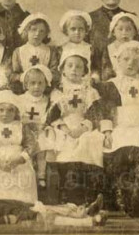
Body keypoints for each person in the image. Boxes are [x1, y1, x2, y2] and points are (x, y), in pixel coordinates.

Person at [42, 49, 106, 205]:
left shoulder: (90, 92)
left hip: (84, 127)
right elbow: (52, 116)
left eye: (78, 67)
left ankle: (87, 197)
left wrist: (83, 128)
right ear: (63, 69)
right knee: (61, 143)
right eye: (70, 66)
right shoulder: (58, 92)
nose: (74, 70)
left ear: (85, 71)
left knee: (90, 141)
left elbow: (95, 114)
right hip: (63, 127)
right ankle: (68, 196)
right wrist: (64, 128)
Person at [96, 41, 139, 217]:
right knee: (119, 156)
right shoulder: (111, 85)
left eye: (135, 61)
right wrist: (107, 131)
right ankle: (121, 199)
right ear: (117, 61)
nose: (130, 64)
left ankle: (138, 199)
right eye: (126, 59)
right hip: (120, 128)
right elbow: (105, 109)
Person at [0, 90, 38, 204]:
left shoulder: (21, 126)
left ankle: (22, 205)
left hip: (18, 162)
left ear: (16, 111)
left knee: (22, 180)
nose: (5, 114)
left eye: (10, 110)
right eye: (1, 110)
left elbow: (31, 144)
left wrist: (20, 158)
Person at [88, 0, 139, 75]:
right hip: (97, 74)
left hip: (127, 73)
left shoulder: (131, 17)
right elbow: (85, 49)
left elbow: (138, 49)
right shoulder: (90, 18)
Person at [19, 65, 52, 188]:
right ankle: (27, 174)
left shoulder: (47, 101)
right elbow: (18, 116)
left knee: (42, 144)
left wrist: (41, 126)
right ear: (26, 85)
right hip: (24, 130)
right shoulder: (20, 99)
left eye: (40, 83)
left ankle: (41, 175)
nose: (36, 87)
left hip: (39, 130)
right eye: (32, 83)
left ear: (46, 84)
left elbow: (47, 118)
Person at [11, 13, 59, 93]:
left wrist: (43, 78)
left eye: (41, 31)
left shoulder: (50, 51)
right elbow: (13, 75)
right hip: (23, 90)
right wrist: (23, 77)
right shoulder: (18, 51)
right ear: (26, 31)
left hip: (45, 90)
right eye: (33, 29)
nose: (37, 34)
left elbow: (55, 74)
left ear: (45, 34)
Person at [101, 12, 139, 81]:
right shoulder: (109, 49)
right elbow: (106, 72)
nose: (124, 33)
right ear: (113, 32)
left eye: (128, 29)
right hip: (115, 82)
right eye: (120, 29)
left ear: (135, 32)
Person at [59, 10, 97, 80]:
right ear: (66, 31)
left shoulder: (90, 49)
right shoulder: (61, 49)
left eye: (81, 29)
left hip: (86, 83)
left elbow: (95, 69)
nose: (77, 32)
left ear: (86, 31)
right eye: (73, 29)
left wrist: (94, 78)